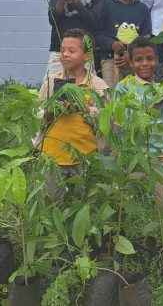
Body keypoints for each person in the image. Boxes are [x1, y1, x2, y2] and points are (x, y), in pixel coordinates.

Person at [36, 28, 108, 201]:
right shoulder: (51, 82)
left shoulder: (98, 86)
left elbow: (107, 122)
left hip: (85, 155)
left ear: (87, 56)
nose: (65, 55)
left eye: (72, 51)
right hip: (52, 155)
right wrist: (50, 112)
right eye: (62, 50)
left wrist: (85, 109)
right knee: (50, 202)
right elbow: (36, 114)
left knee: (84, 203)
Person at [115, 37, 163, 209]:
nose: (145, 63)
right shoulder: (123, 87)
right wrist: (156, 102)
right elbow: (126, 123)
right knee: (125, 207)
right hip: (134, 155)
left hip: (161, 156)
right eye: (138, 59)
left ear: (157, 60)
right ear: (130, 62)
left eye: (150, 59)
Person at [46, 0, 105, 83]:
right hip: (60, 49)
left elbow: (94, 21)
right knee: (54, 89)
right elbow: (53, 20)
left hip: (85, 52)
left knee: (85, 92)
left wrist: (75, 0)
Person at [96, 0, 152, 88]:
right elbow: (97, 34)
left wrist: (132, 54)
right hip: (111, 60)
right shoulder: (106, 5)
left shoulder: (142, 8)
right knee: (111, 96)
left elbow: (146, 37)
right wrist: (111, 44)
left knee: (135, 96)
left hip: (135, 61)